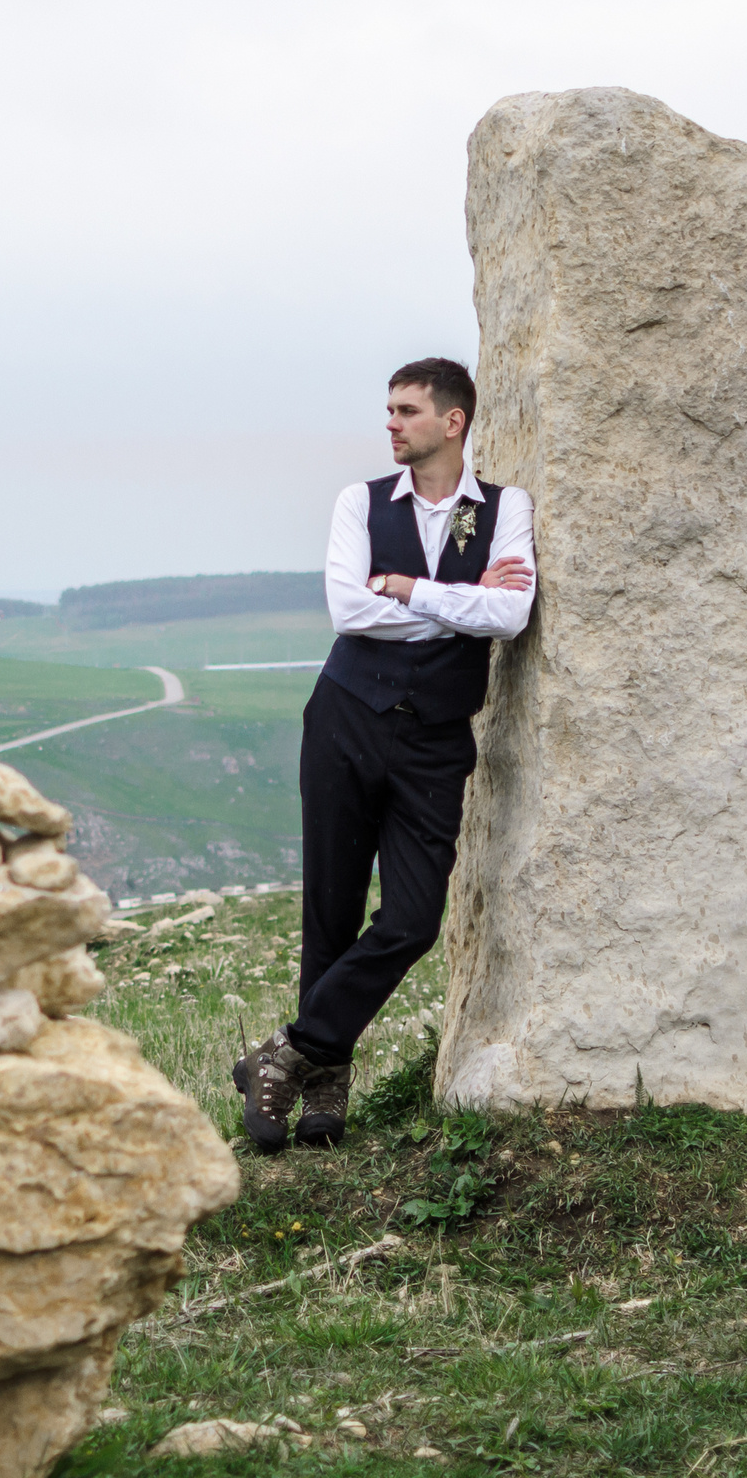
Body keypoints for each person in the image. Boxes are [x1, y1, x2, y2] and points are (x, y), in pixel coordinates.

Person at [232, 356, 536, 1153]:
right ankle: (322, 1089)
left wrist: (406, 588)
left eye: (406, 410)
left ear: (453, 421)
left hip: (436, 741)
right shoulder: (357, 503)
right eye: (390, 410)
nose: (392, 423)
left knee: (410, 919)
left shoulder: (506, 509)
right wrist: (450, 607)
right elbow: (347, 607)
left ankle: (287, 1051)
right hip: (345, 719)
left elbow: (509, 615)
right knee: (329, 907)